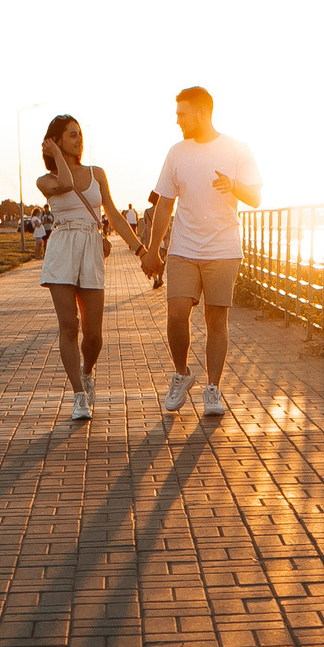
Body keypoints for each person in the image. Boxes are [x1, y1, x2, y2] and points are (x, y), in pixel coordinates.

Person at [139, 86, 261, 416]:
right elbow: (165, 204)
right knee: (177, 314)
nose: (176, 120)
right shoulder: (177, 152)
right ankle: (182, 374)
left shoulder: (237, 150)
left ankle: (213, 389)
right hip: (184, 248)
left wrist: (233, 185)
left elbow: (256, 198)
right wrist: (152, 250)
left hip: (223, 247)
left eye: (182, 114)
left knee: (215, 320)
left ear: (201, 114)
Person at [36, 113, 146, 422]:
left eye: (79, 133)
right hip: (61, 249)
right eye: (71, 135)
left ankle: (87, 372)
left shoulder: (97, 174)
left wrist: (139, 248)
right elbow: (67, 183)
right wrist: (56, 155)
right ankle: (78, 396)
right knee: (69, 326)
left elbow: (112, 212)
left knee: (94, 335)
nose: (78, 139)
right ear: (55, 141)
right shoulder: (46, 180)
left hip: (90, 247)